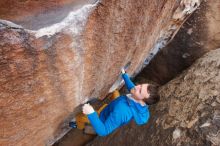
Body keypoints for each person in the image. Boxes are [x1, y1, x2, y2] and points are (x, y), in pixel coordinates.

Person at [82, 69, 160, 136]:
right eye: (141, 85)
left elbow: (104, 131)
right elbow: (132, 88)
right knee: (104, 108)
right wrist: (125, 76)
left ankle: (79, 126)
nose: (137, 86)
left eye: (140, 91)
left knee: (83, 121)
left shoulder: (122, 111)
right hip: (109, 110)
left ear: (142, 101)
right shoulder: (139, 100)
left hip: (102, 121)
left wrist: (91, 113)